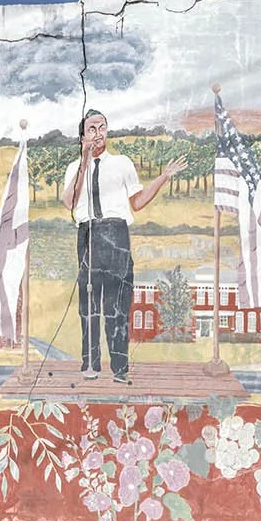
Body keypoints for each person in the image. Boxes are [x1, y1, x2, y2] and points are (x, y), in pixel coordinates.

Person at [60, 109, 184, 382]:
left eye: (102, 127)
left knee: (118, 305)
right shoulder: (74, 168)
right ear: (82, 135)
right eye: (91, 128)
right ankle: (89, 365)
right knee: (89, 303)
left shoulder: (122, 163)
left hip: (116, 234)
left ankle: (119, 368)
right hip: (88, 233)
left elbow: (137, 203)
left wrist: (164, 177)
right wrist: (84, 159)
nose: (98, 133)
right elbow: (69, 201)